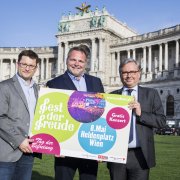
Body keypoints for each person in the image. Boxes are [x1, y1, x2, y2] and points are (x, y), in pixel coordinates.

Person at [46, 45, 104, 180]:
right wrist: (54, 146)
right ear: (67, 61)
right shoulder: (54, 83)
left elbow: (102, 113)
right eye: (73, 60)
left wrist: (102, 149)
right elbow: (51, 116)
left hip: (89, 147)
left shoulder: (96, 82)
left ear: (86, 63)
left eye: (81, 61)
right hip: (65, 148)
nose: (77, 64)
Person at [107, 58, 166, 180]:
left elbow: (161, 121)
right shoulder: (111, 96)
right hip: (116, 155)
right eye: (125, 72)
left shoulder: (151, 94)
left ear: (139, 73)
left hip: (140, 155)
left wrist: (141, 113)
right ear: (120, 75)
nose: (129, 75)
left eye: (132, 72)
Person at [0, 50, 40, 180]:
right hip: (7, 150)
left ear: (36, 68)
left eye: (31, 65)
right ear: (18, 64)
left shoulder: (38, 90)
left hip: (29, 150)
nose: (27, 68)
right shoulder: (4, 86)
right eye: (24, 64)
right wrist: (19, 140)